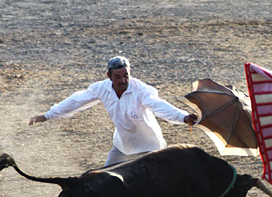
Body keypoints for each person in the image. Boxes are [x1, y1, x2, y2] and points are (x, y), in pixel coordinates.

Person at [29, 56, 198, 166]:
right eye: (118, 77)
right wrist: (47, 115)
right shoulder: (102, 89)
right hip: (122, 146)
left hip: (149, 147)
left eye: (126, 75)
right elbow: (76, 101)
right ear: (109, 76)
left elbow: (159, 106)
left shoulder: (141, 90)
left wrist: (182, 117)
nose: (123, 80)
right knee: (105, 177)